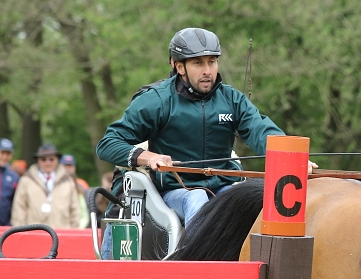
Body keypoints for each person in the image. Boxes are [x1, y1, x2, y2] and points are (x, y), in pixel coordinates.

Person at [96, 27, 315, 239]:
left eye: (212, 62)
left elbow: (262, 131)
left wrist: (292, 160)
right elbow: (107, 144)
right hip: (173, 194)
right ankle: (199, 268)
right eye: (198, 63)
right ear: (179, 67)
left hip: (225, 190)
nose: (207, 71)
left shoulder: (232, 100)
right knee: (197, 197)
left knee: (258, 196)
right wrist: (149, 157)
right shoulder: (157, 100)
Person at [11, 143, 83, 228]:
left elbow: (75, 210)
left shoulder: (68, 181)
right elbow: (19, 209)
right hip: (34, 233)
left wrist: (73, 233)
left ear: (57, 160)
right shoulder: (26, 181)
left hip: (62, 233)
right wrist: (21, 232)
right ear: (38, 160)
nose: (48, 162)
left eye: (51, 159)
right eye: (43, 159)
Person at [61, 154, 90, 228]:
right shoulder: (54, 185)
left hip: (77, 225)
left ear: (74, 167)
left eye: (70, 166)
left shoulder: (81, 184)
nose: (68, 168)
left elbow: (84, 209)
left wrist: (79, 227)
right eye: (65, 166)